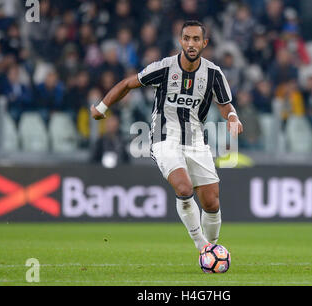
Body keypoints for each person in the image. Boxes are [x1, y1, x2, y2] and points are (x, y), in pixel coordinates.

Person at [90, 20, 243, 254]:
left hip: (195, 141)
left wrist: (232, 116)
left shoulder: (213, 73)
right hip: (164, 138)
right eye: (187, 39)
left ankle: (211, 250)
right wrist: (101, 107)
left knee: (211, 202)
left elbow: (225, 105)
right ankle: (203, 248)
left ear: (205, 43)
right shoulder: (164, 67)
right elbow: (128, 83)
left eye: (196, 39)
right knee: (183, 188)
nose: (191, 44)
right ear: (180, 41)